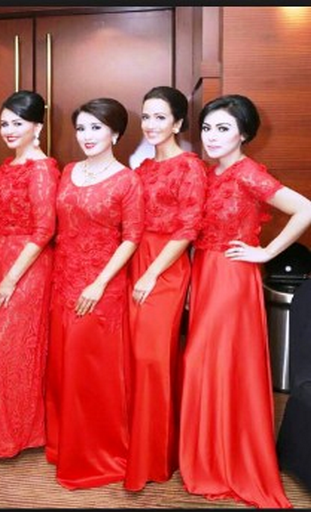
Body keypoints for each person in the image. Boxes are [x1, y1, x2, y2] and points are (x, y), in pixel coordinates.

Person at [179, 94, 311, 508]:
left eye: (223, 128)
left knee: (215, 364)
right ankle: (208, 456)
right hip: (205, 274)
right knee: (206, 365)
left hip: (232, 278)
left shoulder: (248, 173)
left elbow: (305, 210)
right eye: (207, 128)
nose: (211, 136)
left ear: (244, 134)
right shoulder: (209, 174)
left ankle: (225, 460)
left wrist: (265, 252)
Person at [45, 97, 143, 489]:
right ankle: (64, 445)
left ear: (115, 133)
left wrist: (99, 283)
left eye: (96, 128)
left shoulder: (127, 180)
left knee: (91, 372)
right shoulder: (69, 171)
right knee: (64, 368)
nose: (87, 135)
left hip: (101, 286)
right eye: (81, 128)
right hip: (64, 281)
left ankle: (97, 454)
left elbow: (131, 238)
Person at [124, 86, 207, 492]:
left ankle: (154, 458)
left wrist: (151, 274)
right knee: (135, 359)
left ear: (177, 123)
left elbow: (188, 229)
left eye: (160, 117)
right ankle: (139, 447)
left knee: (153, 359)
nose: (151, 124)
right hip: (135, 261)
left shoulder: (190, 167)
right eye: (146, 116)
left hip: (165, 268)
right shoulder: (140, 169)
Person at [0, 90, 60, 457]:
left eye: (18, 123)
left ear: (37, 127)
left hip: (26, 268)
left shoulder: (42, 169)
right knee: (4, 351)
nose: (9, 130)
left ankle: (16, 435)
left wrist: (11, 279)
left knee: (11, 349)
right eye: (4, 123)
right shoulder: (5, 167)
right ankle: (10, 431)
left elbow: (44, 230)